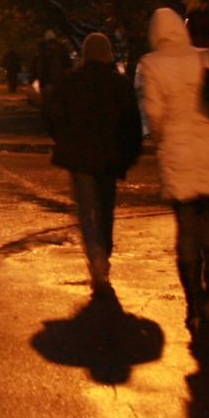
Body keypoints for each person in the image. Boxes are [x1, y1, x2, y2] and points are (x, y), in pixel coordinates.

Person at [139, 7, 209, 330]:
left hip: (178, 156)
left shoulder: (150, 65)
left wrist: (161, 140)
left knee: (187, 230)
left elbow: (153, 115)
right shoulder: (204, 58)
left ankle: (193, 304)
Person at [43, 32, 143, 293]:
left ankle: (96, 254)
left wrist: (63, 140)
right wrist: (129, 154)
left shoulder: (71, 83)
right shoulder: (119, 84)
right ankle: (104, 254)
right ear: (108, 53)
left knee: (87, 209)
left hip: (79, 157)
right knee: (106, 208)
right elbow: (131, 124)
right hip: (109, 157)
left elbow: (53, 116)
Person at [34, 29, 73, 95]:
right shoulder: (63, 48)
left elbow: (42, 67)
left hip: (47, 80)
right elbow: (68, 64)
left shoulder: (44, 49)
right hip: (61, 79)